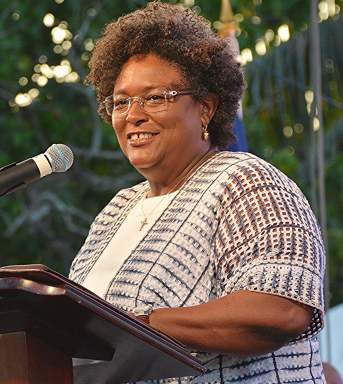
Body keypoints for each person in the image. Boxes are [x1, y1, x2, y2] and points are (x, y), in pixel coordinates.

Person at [69, 2, 326, 382]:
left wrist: (140, 326)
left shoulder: (245, 181)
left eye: (154, 97)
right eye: (121, 101)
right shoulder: (116, 211)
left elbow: (280, 308)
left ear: (205, 108)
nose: (133, 114)